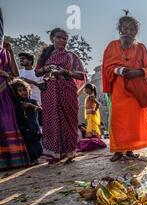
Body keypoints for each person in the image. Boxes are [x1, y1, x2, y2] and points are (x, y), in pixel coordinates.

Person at [102, 11, 147, 162]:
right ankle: (118, 151)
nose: (128, 32)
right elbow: (107, 68)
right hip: (119, 88)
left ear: (136, 32)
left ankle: (130, 149)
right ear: (120, 29)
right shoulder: (112, 46)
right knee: (118, 120)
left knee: (133, 121)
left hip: (136, 90)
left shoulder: (141, 48)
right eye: (125, 29)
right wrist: (120, 70)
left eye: (132, 30)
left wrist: (138, 72)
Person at [35, 28, 86, 165]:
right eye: (59, 37)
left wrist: (66, 72)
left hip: (67, 89)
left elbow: (81, 75)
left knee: (69, 119)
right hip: (49, 91)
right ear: (52, 38)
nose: (62, 40)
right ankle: (54, 153)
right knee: (52, 120)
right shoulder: (45, 55)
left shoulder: (71, 56)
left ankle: (70, 151)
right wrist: (46, 69)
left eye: (65, 38)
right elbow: (37, 72)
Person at [0, 42, 30, 170]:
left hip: (5, 95)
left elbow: (15, 74)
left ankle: (14, 160)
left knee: (8, 123)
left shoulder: (5, 52)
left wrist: (11, 51)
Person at [10, 79, 43, 165]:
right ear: (16, 92)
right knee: (28, 144)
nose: (23, 92)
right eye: (20, 91)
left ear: (28, 90)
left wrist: (31, 106)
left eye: (24, 90)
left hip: (34, 127)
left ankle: (39, 158)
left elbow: (40, 109)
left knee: (36, 143)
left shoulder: (33, 101)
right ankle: (32, 160)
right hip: (23, 128)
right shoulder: (16, 103)